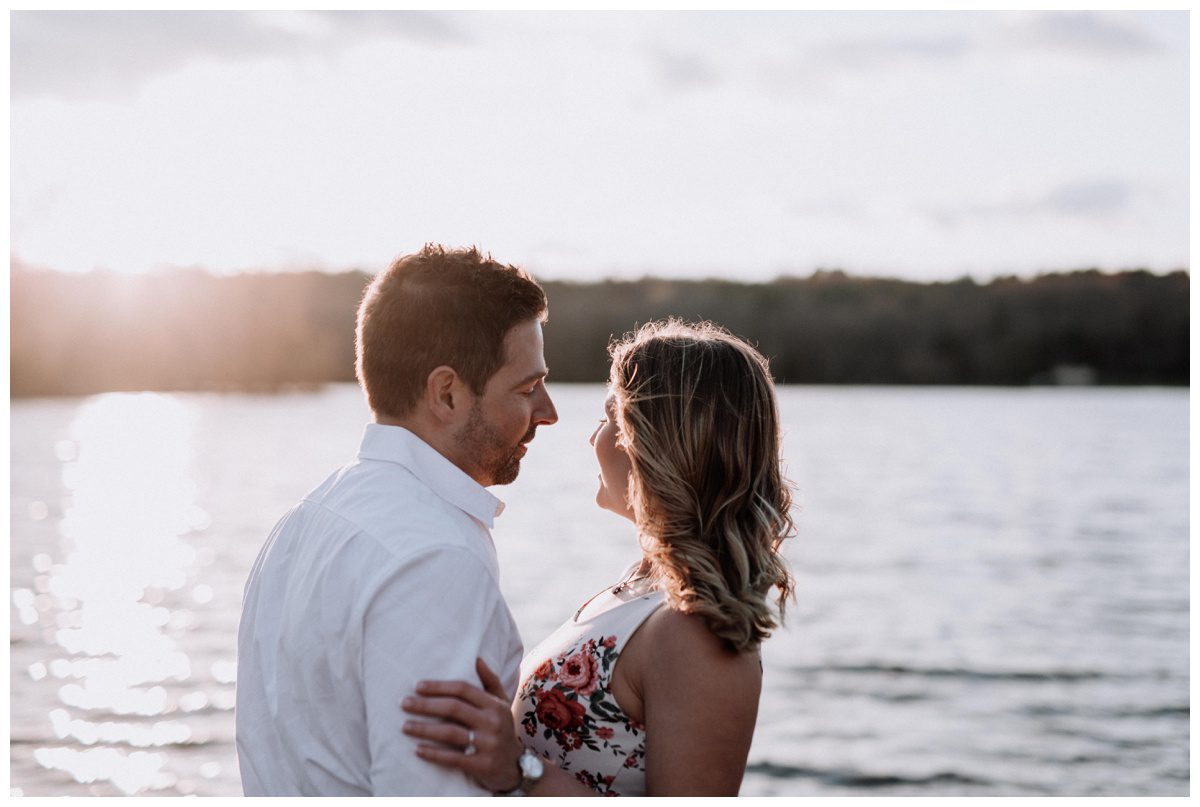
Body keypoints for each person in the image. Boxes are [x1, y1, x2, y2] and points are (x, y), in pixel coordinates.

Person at [401, 318, 795, 796]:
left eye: (610, 417)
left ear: (655, 440)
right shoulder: (640, 591)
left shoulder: (698, 630)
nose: (593, 439)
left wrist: (520, 770)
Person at [235, 244, 558, 795]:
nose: (547, 411)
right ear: (447, 394)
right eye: (527, 389)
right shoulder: (437, 558)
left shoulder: (302, 521)